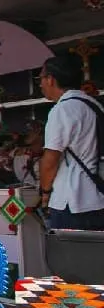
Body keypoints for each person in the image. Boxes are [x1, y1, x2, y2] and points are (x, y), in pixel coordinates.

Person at [38, 56, 104, 229]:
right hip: (98, 196)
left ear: (51, 79)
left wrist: (45, 194)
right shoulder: (94, 105)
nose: (40, 84)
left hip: (72, 202)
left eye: (41, 79)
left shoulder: (62, 110)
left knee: (69, 255)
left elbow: (50, 161)